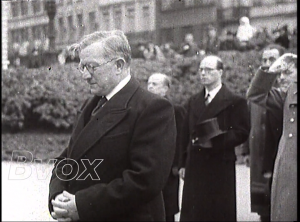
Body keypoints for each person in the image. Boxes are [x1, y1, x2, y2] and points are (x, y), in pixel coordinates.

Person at [48, 30, 177, 221]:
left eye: (91, 67)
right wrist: (57, 197)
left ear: (119, 65)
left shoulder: (153, 108)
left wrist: (82, 205)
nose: (85, 75)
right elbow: (68, 158)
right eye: (82, 66)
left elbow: (146, 180)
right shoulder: (90, 104)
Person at [178, 55, 250, 221]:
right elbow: (184, 134)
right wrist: (182, 163)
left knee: (217, 211)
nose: (203, 73)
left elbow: (242, 131)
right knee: (195, 212)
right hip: (195, 164)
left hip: (220, 164)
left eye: (208, 70)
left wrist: (215, 139)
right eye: (201, 70)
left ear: (220, 72)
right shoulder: (193, 101)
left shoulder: (234, 101)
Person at [247, 53, 297, 221]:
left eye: (287, 73)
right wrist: (272, 69)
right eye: (279, 74)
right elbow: (254, 94)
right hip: (281, 166)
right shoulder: (278, 96)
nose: (281, 78)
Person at [243, 44, 285, 221]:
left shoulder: (285, 90)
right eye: (264, 60)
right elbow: (248, 122)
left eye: (272, 59)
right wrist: (246, 150)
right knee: (264, 206)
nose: (267, 64)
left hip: (278, 150)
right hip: (259, 150)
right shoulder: (258, 90)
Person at [147, 73, 186, 222]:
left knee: (167, 208)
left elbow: (181, 138)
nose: (150, 86)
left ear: (165, 89)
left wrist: (177, 164)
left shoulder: (175, 110)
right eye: (149, 83)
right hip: (147, 165)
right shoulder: (142, 108)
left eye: (155, 84)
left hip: (168, 168)